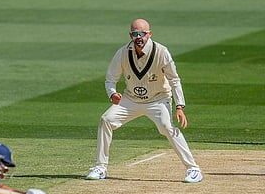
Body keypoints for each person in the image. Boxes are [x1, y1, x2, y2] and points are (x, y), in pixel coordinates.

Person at [86, 18, 203, 183]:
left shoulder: (161, 52)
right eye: (135, 33)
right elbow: (110, 79)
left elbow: (174, 80)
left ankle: (193, 169)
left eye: (142, 33)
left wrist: (180, 106)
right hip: (130, 99)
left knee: (166, 127)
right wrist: (112, 94)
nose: (139, 37)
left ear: (149, 34)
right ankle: (100, 167)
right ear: (130, 35)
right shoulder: (122, 53)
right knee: (106, 120)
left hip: (158, 99)